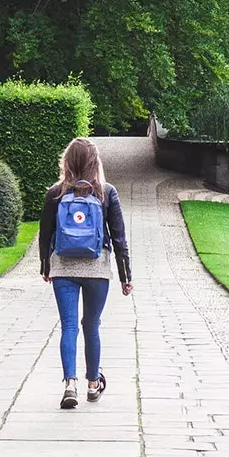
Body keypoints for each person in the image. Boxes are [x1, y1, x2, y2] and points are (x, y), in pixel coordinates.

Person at [39, 137, 132, 410]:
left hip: (63, 267)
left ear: (67, 161)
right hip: (97, 268)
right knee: (91, 325)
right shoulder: (106, 192)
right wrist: (126, 276)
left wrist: (46, 267)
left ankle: (70, 384)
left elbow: (44, 235)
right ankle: (93, 384)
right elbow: (119, 238)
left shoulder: (56, 193)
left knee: (68, 325)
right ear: (95, 161)